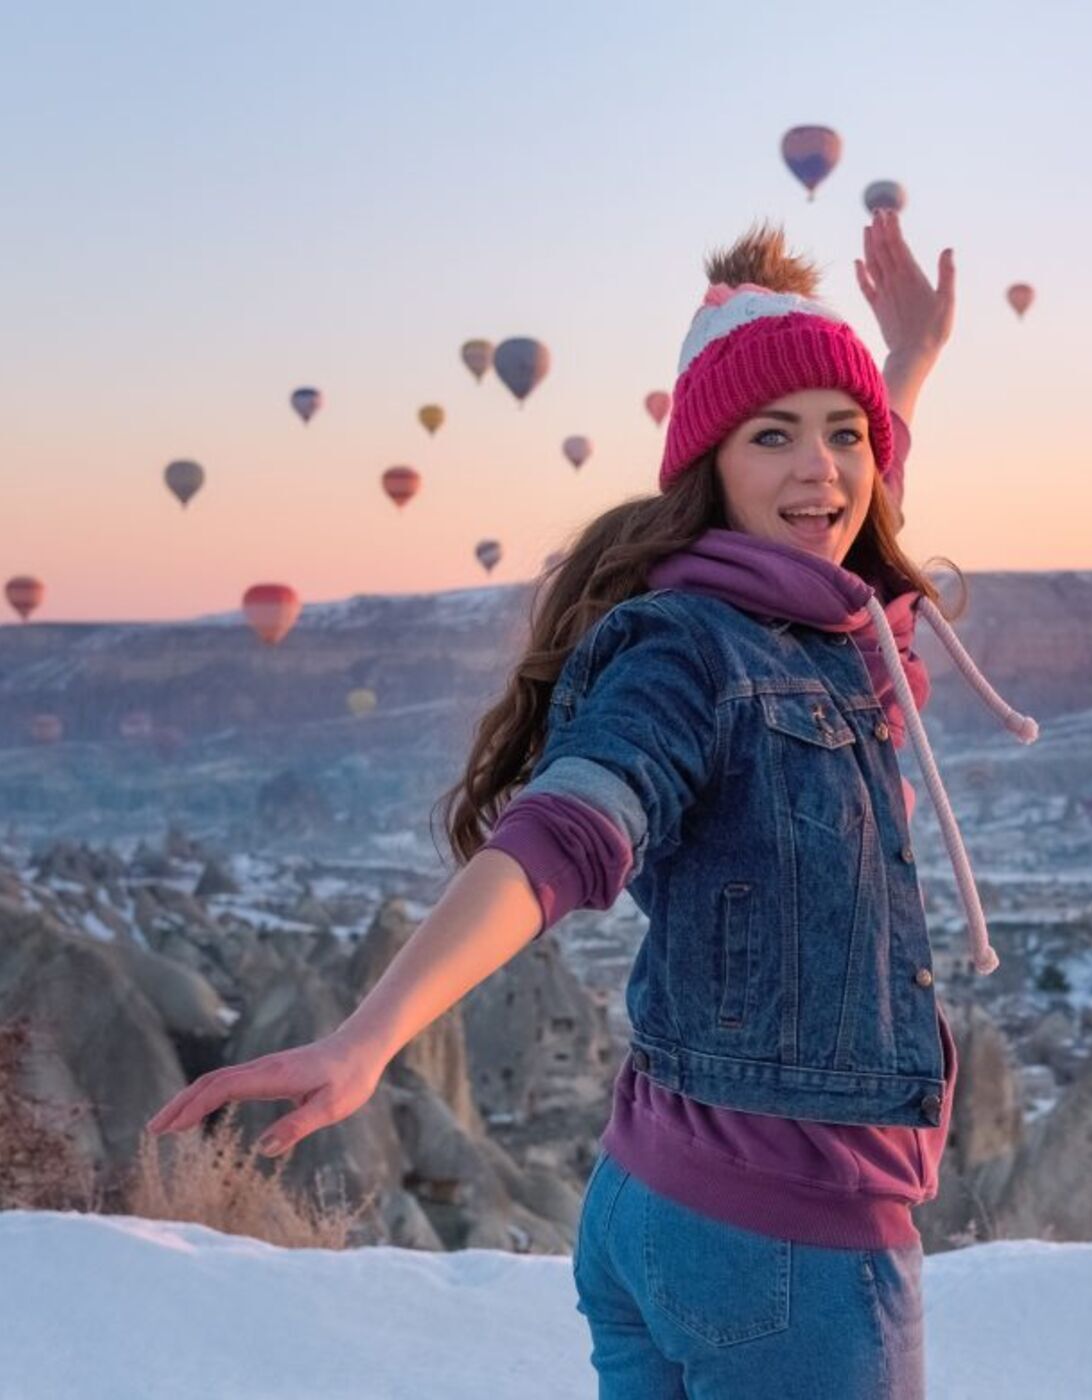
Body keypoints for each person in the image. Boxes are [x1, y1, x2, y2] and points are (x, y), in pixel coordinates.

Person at [146, 210, 1038, 1398]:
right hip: (790, 1241)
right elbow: (562, 834)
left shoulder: (826, 616)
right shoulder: (693, 649)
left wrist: (906, 365)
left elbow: (848, 519)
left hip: (649, 1201)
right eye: (771, 435)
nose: (819, 465)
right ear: (708, 467)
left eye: (845, 435)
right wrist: (369, 1034)